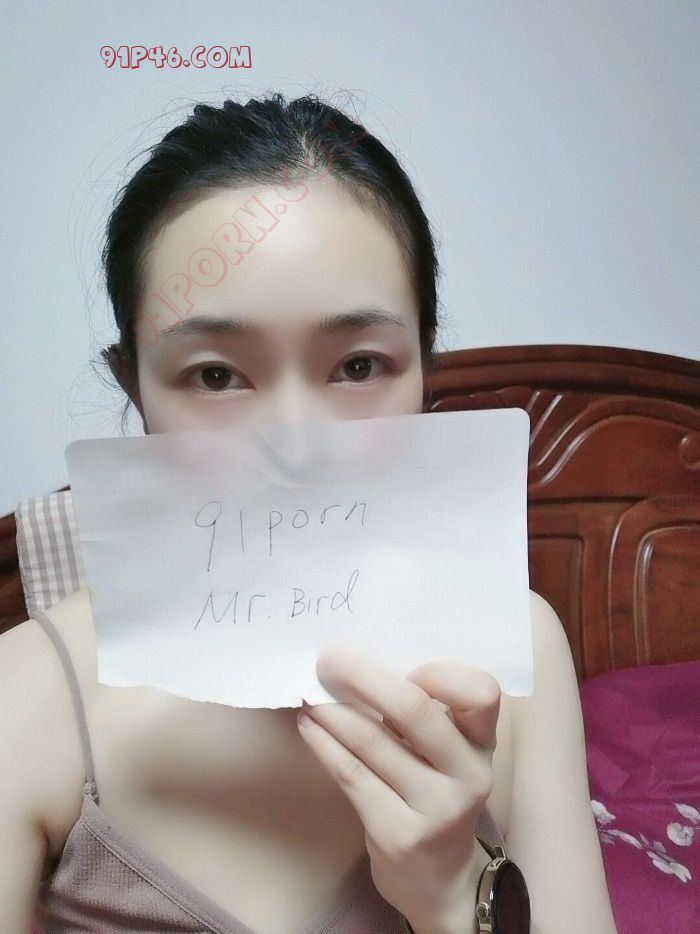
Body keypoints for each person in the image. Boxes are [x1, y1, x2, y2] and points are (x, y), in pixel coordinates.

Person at [0, 93, 616, 934]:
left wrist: (449, 894)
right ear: (134, 387)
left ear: (424, 369)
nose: (296, 446)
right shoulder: (26, 696)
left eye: (359, 365)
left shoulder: (520, 649)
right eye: (216, 375)